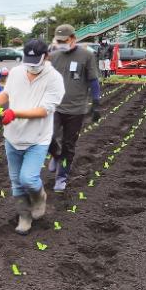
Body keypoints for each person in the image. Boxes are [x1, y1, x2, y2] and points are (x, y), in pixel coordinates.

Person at [0, 39, 65, 235]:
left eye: (36, 62)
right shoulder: (15, 73)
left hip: (37, 138)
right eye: (28, 61)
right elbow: (5, 94)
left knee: (28, 179)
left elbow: (43, 111)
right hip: (12, 136)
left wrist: (14, 113)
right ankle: (24, 215)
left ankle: (39, 197)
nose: (31, 67)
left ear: (46, 56)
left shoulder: (54, 79)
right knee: (16, 180)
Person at [47, 24, 102, 192]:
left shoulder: (86, 55)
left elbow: (93, 80)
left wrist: (96, 103)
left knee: (69, 145)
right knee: (48, 137)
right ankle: (56, 156)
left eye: (65, 40)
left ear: (73, 38)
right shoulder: (53, 56)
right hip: (55, 106)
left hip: (76, 109)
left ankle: (61, 177)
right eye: (59, 40)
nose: (62, 43)